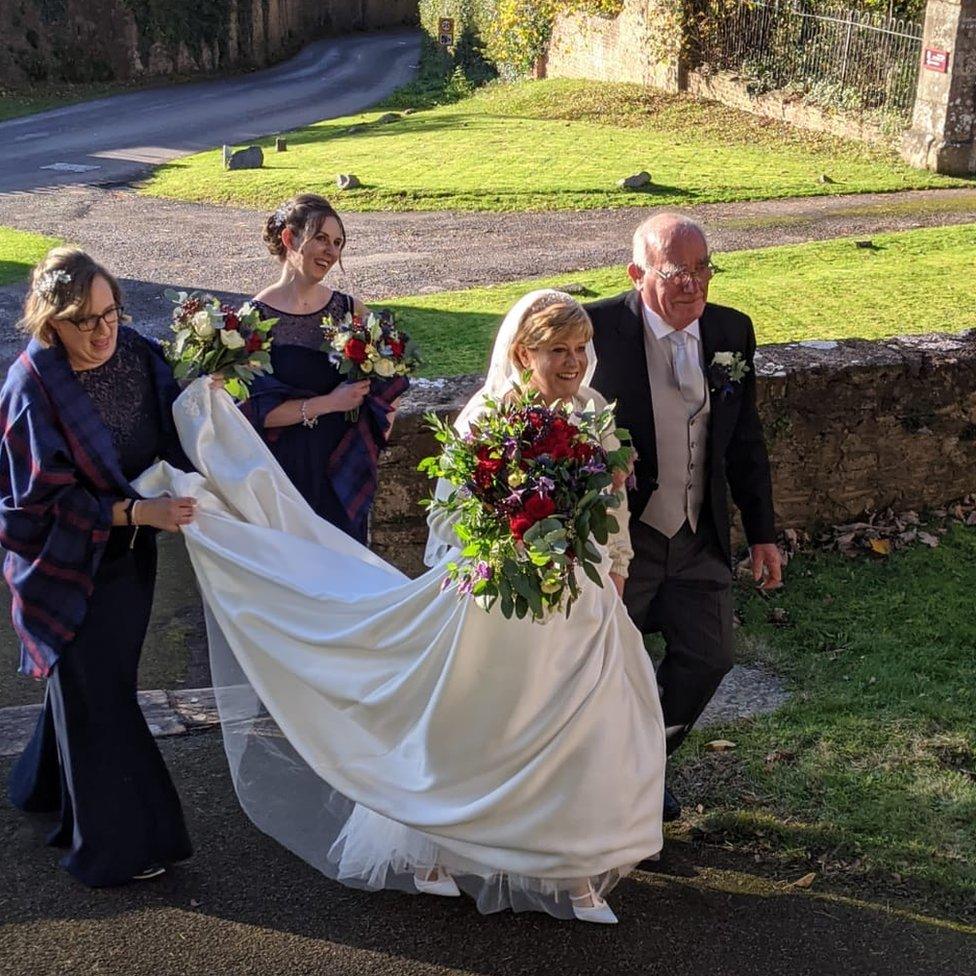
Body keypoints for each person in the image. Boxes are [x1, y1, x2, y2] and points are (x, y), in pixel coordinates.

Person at [140, 290, 666, 924]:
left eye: (581, 350)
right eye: (559, 351)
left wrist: (615, 568)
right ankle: (434, 851)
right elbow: (451, 518)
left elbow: (610, 511)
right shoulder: (487, 417)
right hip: (500, 597)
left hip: (581, 600)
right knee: (479, 728)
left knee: (589, 728)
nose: (574, 363)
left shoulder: (592, 413)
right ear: (526, 353)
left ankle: (576, 872)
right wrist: (510, 548)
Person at [0, 248, 196, 886]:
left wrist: (211, 399)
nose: (104, 330)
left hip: (128, 557)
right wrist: (139, 515)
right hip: (60, 562)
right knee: (104, 694)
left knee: (90, 685)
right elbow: (37, 507)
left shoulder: (137, 354)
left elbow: (176, 425)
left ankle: (40, 786)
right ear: (51, 322)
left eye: (112, 313)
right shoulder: (32, 387)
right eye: (86, 321)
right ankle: (120, 846)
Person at [587, 213, 782, 823]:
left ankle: (648, 764)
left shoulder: (730, 332)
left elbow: (744, 437)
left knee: (709, 656)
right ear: (637, 273)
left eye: (704, 269)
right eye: (677, 272)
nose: (694, 285)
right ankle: (591, 786)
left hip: (699, 535)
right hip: (624, 536)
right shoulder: (593, 331)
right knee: (602, 666)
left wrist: (763, 533)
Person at [243, 193, 405, 544]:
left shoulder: (350, 309)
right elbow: (254, 413)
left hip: (341, 472)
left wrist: (371, 442)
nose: (331, 252)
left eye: (338, 243)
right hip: (281, 477)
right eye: (320, 238)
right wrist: (329, 403)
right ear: (290, 239)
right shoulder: (253, 320)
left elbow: (391, 378)